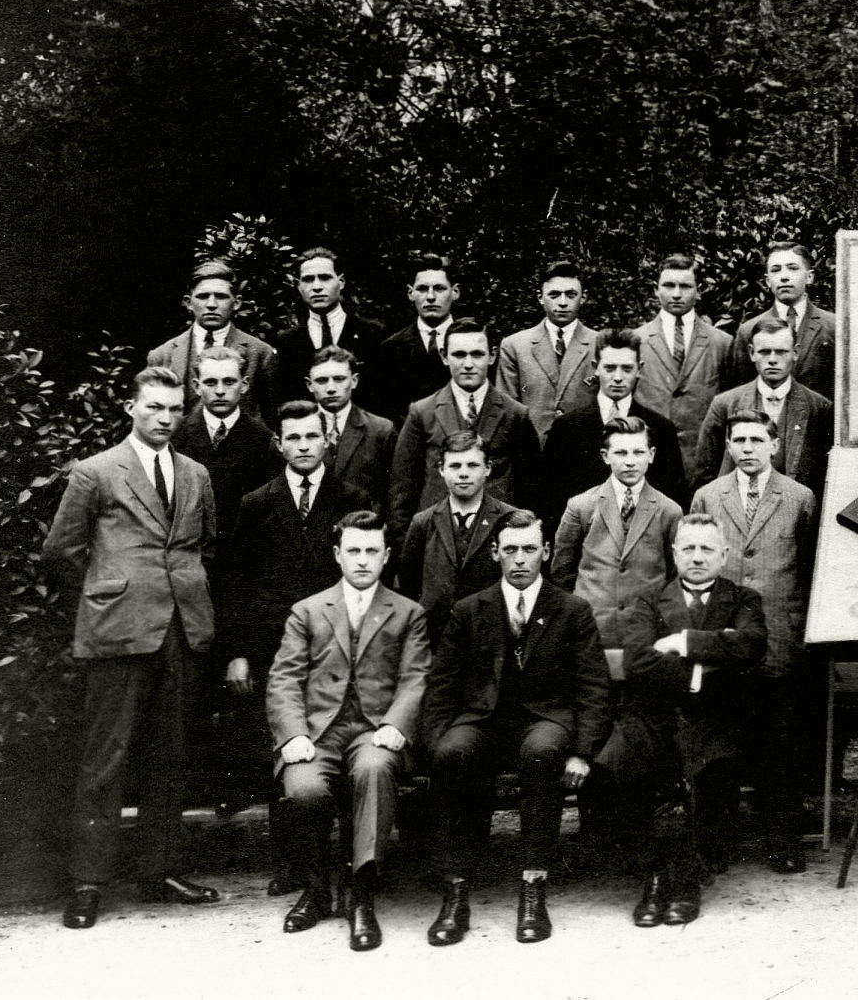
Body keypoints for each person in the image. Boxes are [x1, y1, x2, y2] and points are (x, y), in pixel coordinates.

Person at [46, 367, 221, 930]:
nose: (165, 418)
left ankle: (158, 871)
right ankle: (88, 882)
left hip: (181, 631)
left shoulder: (195, 473)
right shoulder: (95, 471)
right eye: (154, 407)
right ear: (131, 408)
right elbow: (61, 550)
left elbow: (205, 547)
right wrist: (111, 592)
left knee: (170, 756)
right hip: (118, 632)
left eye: (174, 409)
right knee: (107, 758)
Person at [419, 511, 612, 946]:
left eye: (529, 549)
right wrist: (434, 744)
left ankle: (533, 885)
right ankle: (456, 889)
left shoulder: (571, 610)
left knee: (542, 752)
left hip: (545, 720)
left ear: (546, 552)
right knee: (453, 753)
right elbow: (442, 685)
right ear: (495, 553)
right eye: (510, 549)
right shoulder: (470, 610)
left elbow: (593, 687)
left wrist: (582, 752)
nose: (520, 559)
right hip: (483, 719)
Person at [264, 510, 429, 952]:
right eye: (353, 550)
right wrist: (293, 734)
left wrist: (396, 723)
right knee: (304, 789)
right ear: (337, 555)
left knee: (373, 772)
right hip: (320, 730)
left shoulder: (408, 612)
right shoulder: (307, 611)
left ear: (386, 556)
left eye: (372, 551)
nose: (362, 560)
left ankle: (361, 894)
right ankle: (316, 889)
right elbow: (284, 679)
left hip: (374, 730)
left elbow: (416, 677)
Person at [210, 402, 375, 823]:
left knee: (336, 743)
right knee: (281, 748)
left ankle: (341, 848)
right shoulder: (257, 503)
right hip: (272, 648)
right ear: (279, 444)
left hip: (336, 647)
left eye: (311, 436)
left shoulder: (352, 499)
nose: (303, 446)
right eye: (294, 438)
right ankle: (291, 853)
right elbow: (235, 583)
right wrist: (238, 652)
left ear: (328, 440)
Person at [603, 514, 769, 926]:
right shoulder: (649, 600)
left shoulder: (743, 599)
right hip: (656, 713)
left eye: (707, 549)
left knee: (712, 768)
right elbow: (638, 660)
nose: (697, 557)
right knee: (621, 759)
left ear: (724, 555)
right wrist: (709, 659)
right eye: (689, 548)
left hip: (716, 715)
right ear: (675, 553)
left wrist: (683, 642)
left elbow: (751, 646)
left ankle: (688, 878)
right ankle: (653, 872)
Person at [689, 411, 818, 874]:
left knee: (779, 747)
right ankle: (717, 845)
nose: (747, 448)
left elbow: (809, 567)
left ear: (774, 445)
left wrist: (797, 628)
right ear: (727, 445)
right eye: (739, 440)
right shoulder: (708, 495)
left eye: (757, 440)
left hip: (779, 637)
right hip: (723, 638)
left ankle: (782, 841)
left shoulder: (800, 497)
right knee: (718, 745)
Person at [389, 316, 539, 536]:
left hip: (497, 534)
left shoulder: (515, 414)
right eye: (459, 355)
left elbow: (531, 488)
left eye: (477, 354)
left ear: (492, 356)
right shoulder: (423, 412)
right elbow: (403, 489)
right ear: (444, 356)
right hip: (437, 536)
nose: (468, 364)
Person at [551, 417, 684, 649]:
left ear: (651, 455)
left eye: (638, 452)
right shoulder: (581, 506)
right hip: (591, 631)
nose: (630, 461)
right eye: (621, 453)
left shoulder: (669, 511)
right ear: (605, 456)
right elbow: (562, 572)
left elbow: (675, 576)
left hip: (646, 635)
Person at [538, 329, 689, 522]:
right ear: (596, 367)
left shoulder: (660, 428)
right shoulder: (567, 427)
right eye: (609, 368)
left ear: (639, 369)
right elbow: (549, 498)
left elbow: (674, 496)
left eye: (627, 369)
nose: (618, 377)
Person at [395, 434, 514, 646]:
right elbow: (409, 585)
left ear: (487, 468)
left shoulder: (508, 519)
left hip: (493, 640)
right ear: (441, 469)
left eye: (473, 465)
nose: (463, 473)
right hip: (436, 640)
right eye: (455, 466)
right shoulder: (423, 522)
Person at [696, 317, 832, 499]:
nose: (772, 360)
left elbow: (823, 476)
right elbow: (705, 472)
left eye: (781, 352)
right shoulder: (725, 404)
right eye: (764, 352)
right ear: (752, 353)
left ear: (795, 352)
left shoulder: (818, 407)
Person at [633, 254, 738, 482]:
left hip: (703, 464)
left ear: (698, 290)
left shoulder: (722, 343)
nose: (676, 294)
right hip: (650, 463)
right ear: (656, 289)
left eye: (685, 286)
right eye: (669, 286)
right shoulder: (636, 341)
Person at [147, 260, 280, 421]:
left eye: (221, 296)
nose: (211, 304)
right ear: (188, 303)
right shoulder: (162, 355)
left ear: (236, 303)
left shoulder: (260, 353)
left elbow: (270, 418)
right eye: (203, 297)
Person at [175, 345, 282, 546]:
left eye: (229, 382)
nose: (220, 391)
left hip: (243, 552)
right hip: (189, 550)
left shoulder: (264, 440)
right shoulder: (176, 436)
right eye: (210, 382)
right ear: (197, 386)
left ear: (244, 385)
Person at [494, 260, 599, 449]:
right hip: (532, 452)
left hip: (585, 451)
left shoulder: (600, 344)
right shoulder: (515, 346)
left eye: (571, 294)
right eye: (554, 294)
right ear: (540, 298)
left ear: (583, 297)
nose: (563, 302)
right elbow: (507, 410)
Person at [272, 248, 386, 411]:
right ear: (298, 286)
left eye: (325, 278)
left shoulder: (372, 333)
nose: (317, 287)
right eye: (308, 280)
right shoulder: (287, 341)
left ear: (341, 282)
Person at [728, 241, 838, 401]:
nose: (784, 277)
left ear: (809, 277)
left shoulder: (834, 326)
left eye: (793, 268)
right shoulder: (748, 331)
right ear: (767, 281)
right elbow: (741, 393)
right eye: (776, 270)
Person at [367, 253, 465, 420]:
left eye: (439, 288)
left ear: (455, 292)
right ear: (410, 293)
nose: (431, 297)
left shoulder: (473, 343)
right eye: (422, 289)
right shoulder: (390, 348)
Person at [306, 345, 397, 515]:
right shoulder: (297, 432)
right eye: (322, 380)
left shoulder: (380, 430)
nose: (331, 388)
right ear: (309, 385)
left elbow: (395, 492)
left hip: (363, 526)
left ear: (354, 381)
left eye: (339, 379)